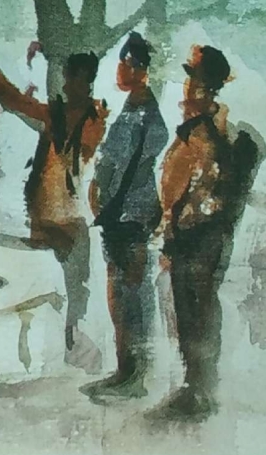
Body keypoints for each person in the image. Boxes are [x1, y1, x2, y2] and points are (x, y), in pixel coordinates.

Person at [0, 43, 107, 362]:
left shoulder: (93, 119)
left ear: (85, 81)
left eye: (72, 79)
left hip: (71, 219)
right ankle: (64, 352)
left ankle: (75, 351)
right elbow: (21, 104)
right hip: (51, 217)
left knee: (75, 293)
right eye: (67, 78)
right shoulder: (61, 115)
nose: (67, 86)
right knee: (58, 290)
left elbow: (82, 148)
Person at [156, 43, 261, 420]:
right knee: (189, 311)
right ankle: (195, 386)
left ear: (206, 86)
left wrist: (174, 230)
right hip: (191, 235)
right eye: (189, 80)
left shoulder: (207, 133)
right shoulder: (198, 128)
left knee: (195, 311)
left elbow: (201, 191)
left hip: (198, 237)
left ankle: (198, 391)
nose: (188, 87)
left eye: (194, 80)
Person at [84, 33, 170, 402]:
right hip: (119, 213)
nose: (120, 70)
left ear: (139, 69)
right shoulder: (131, 108)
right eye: (121, 62)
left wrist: (108, 202)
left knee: (130, 292)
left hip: (129, 213)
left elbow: (130, 163)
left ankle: (133, 375)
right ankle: (125, 371)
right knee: (121, 292)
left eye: (126, 64)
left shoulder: (145, 115)